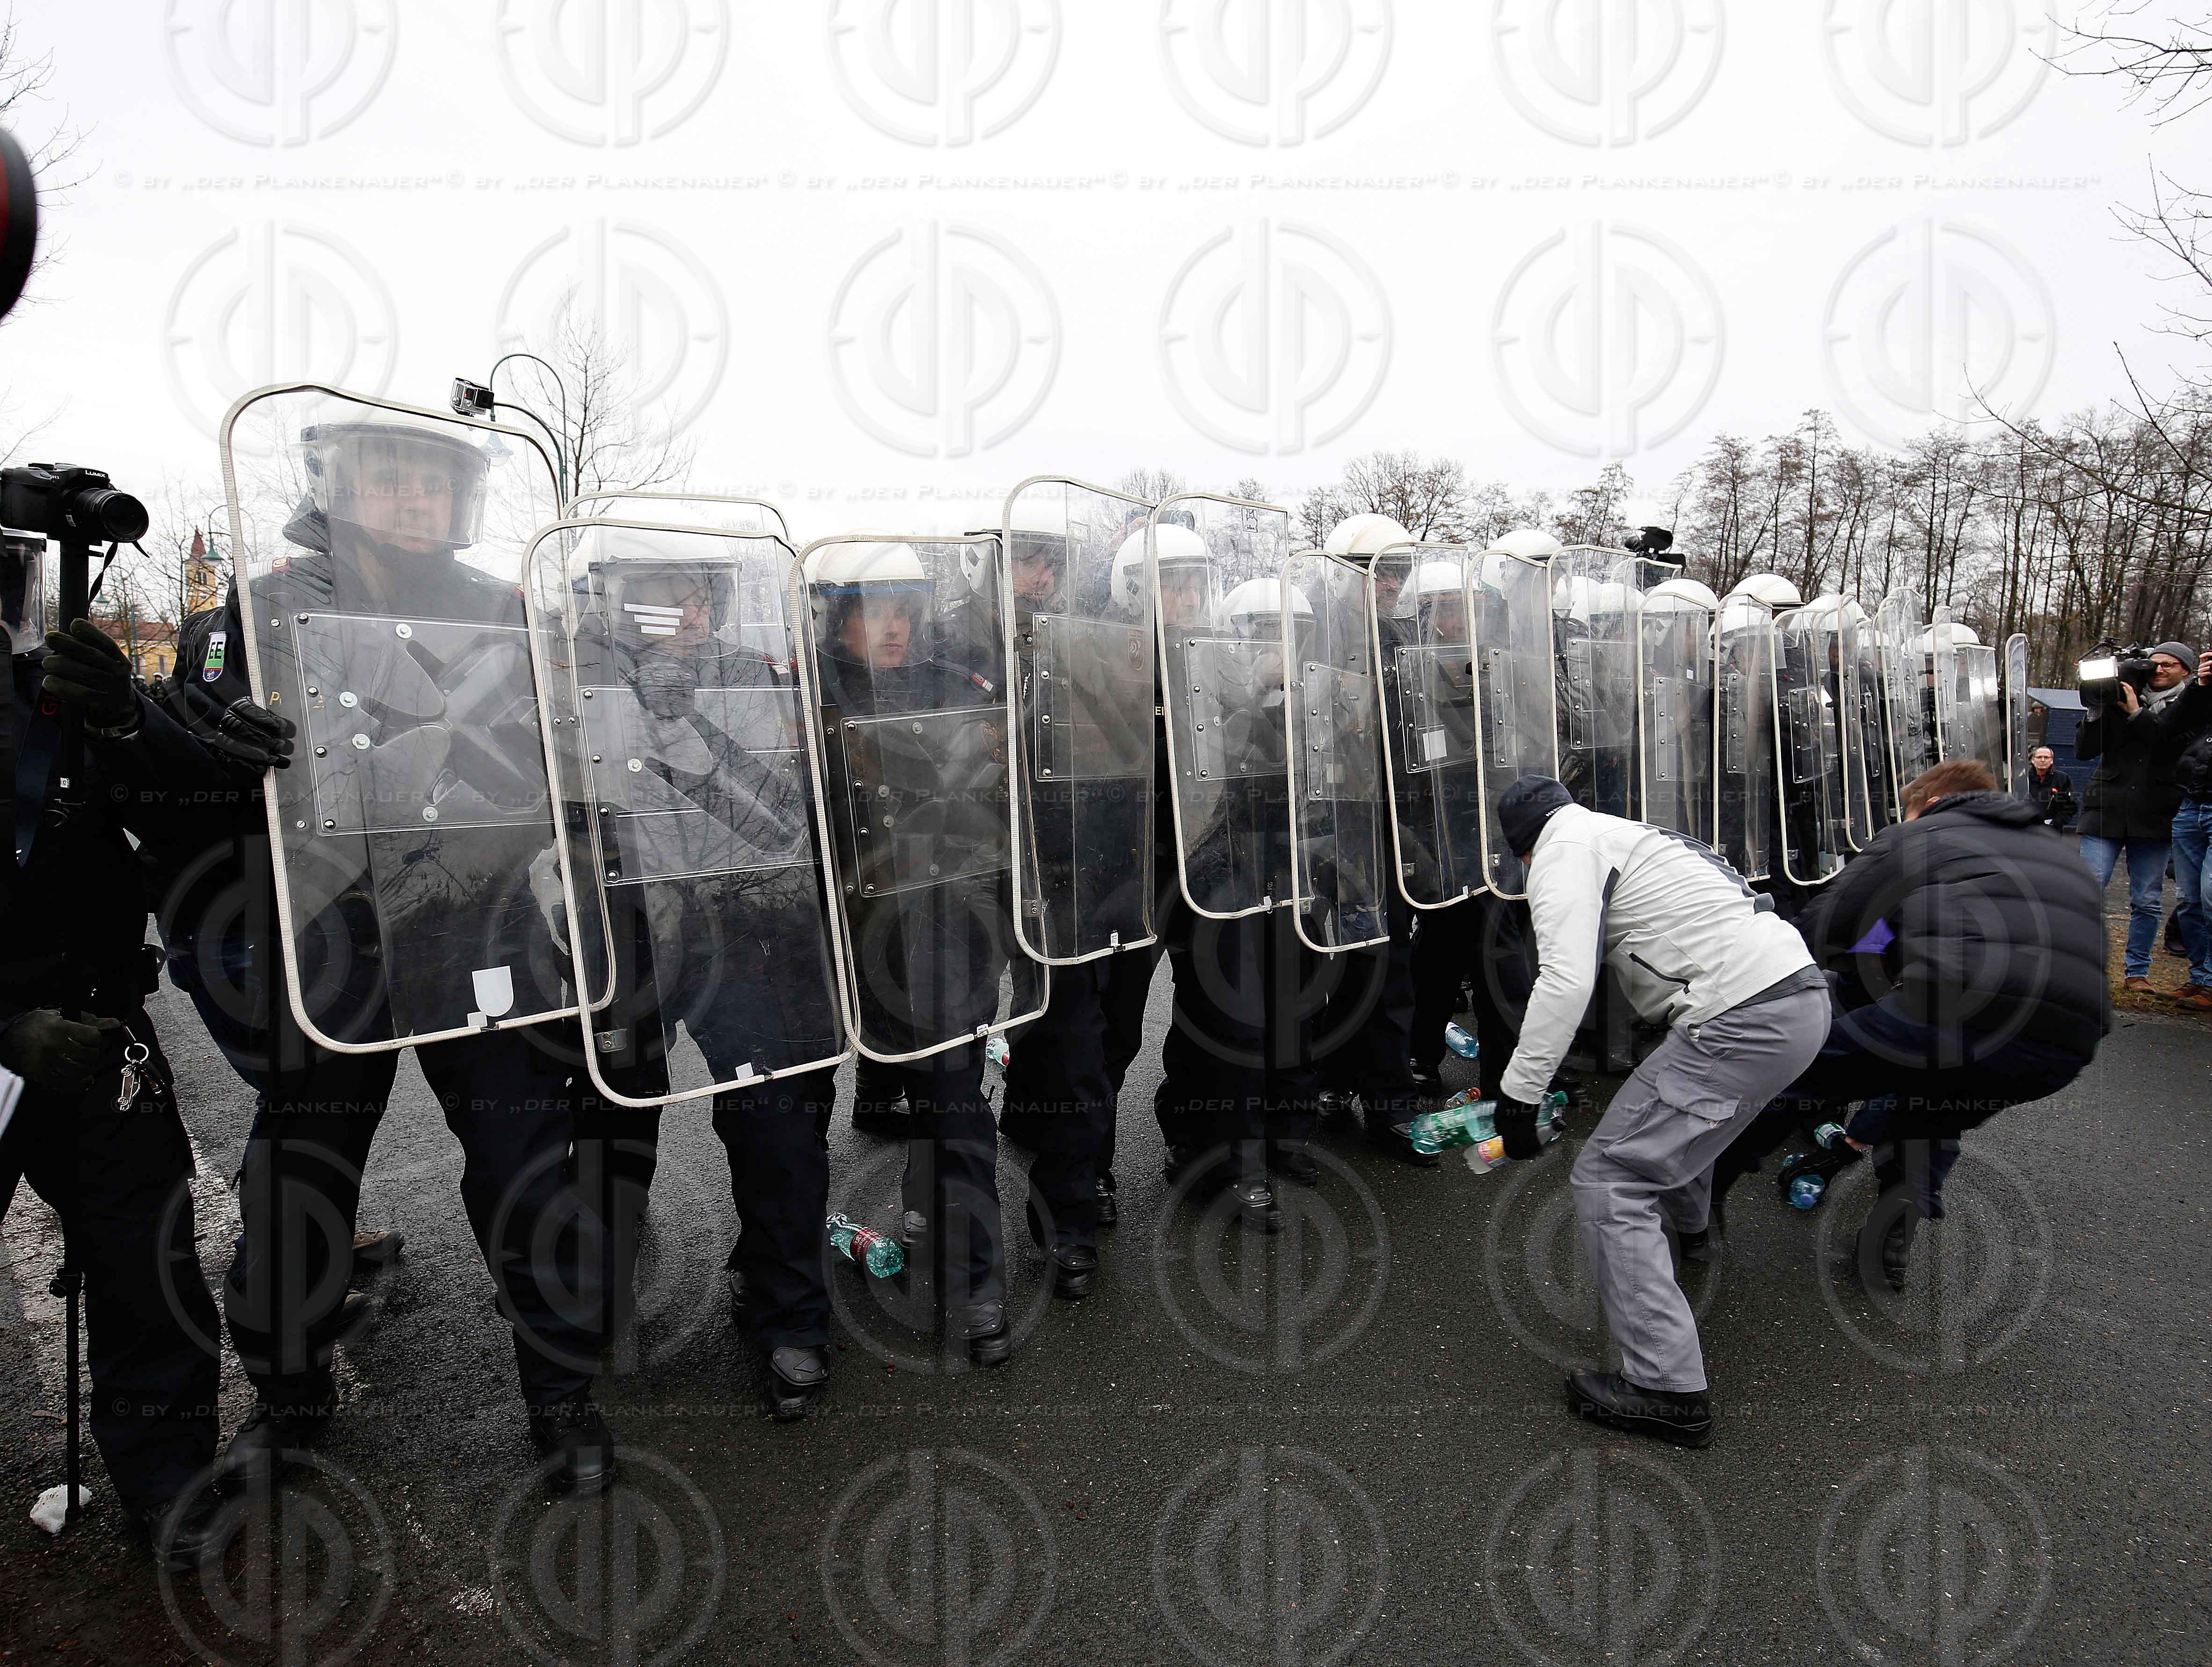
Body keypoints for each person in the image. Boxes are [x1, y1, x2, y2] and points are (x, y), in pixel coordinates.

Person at [170, 408, 626, 1495]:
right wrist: (210, 733)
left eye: (437, 483)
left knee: (526, 1167)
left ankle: (560, 1393)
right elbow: (191, 713)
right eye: (395, 479)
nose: (419, 500)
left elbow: (562, 745)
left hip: (482, 924)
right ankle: (290, 1390)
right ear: (340, 483)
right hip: (334, 938)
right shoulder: (262, 606)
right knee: (302, 1174)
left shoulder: (503, 608)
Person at [0, 528, 248, 1568]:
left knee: (150, 1266)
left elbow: (203, 821)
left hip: (99, 1032)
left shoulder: (49, 695)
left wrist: (126, 717)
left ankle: (167, 1480)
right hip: (15, 1032)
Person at [1490, 775, 1828, 1449]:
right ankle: (1692, 1230)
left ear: (1521, 850)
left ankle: (1667, 1389)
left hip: (1740, 1016)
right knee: (1670, 1113)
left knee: (1611, 1177)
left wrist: (1520, 1095)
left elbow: (1564, 977)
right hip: (1797, 998)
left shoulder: (1561, 850)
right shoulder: (1625, 832)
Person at [1715, 760, 2108, 1283]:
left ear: (1926, 804)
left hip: (1951, 1007)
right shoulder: (2061, 856)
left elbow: (1827, 928)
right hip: (2064, 1045)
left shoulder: (1921, 835)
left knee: (1793, 1076)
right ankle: (1889, 1246)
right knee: (1930, 1111)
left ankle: (1697, 1202)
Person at [808, 538, 1028, 1361]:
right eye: (873, 609)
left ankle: (975, 1275)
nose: (893, 626)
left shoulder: (957, 689)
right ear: (838, 614)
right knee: (783, 1116)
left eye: (904, 608)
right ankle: (773, 1270)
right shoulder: (797, 694)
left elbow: (993, 810)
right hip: (832, 924)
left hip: (935, 923)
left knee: (953, 1098)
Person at [2076, 643, 2212, 992]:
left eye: (2170, 665)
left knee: (2148, 900)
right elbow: (2084, 750)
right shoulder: (2119, 694)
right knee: (2088, 889)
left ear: (2187, 670)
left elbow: (2168, 745)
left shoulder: (2194, 704)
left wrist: (2138, 713)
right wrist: (2098, 710)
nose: (2160, 671)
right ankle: (2078, 967)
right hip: (2107, 807)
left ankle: (2137, 972)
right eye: (2154, 665)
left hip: (2157, 813)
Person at [2163, 719, 2212, 1010]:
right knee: (2188, 901)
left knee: (2210, 897)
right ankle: (2199, 977)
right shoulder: (2201, 701)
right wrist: (2200, 686)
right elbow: (2167, 732)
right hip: (2191, 804)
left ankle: (2210, 982)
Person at [2023, 744, 2076, 832]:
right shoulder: (2024, 779)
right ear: (2033, 760)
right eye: (2039, 757)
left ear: (2052, 761)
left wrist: (2056, 823)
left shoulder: (2062, 779)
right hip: (2027, 830)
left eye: (2046, 757)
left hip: (2052, 832)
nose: (2043, 760)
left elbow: (2071, 805)